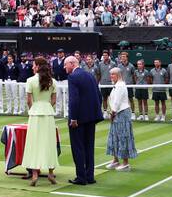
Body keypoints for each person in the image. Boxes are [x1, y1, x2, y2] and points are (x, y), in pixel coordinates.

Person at [65, 55, 103, 186]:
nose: (64, 67)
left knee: (78, 147)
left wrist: (74, 118)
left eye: (66, 65)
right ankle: (89, 176)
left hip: (79, 119)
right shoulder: (90, 75)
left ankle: (81, 176)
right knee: (89, 147)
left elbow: (74, 99)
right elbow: (99, 95)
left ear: (71, 63)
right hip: (91, 117)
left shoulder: (73, 77)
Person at [22, 57, 58, 186]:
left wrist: (35, 108)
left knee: (34, 143)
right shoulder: (53, 81)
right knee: (49, 142)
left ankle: (35, 174)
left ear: (38, 66)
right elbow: (53, 100)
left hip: (36, 113)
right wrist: (46, 106)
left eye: (34, 65)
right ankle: (50, 172)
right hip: (47, 113)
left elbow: (28, 100)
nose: (32, 67)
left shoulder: (30, 80)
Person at [104, 66, 136, 172]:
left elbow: (117, 102)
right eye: (111, 74)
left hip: (121, 113)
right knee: (114, 136)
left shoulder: (121, 85)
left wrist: (112, 113)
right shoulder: (116, 85)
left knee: (123, 137)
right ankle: (115, 160)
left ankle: (125, 163)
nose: (111, 76)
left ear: (118, 75)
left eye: (113, 74)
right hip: (117, 113)